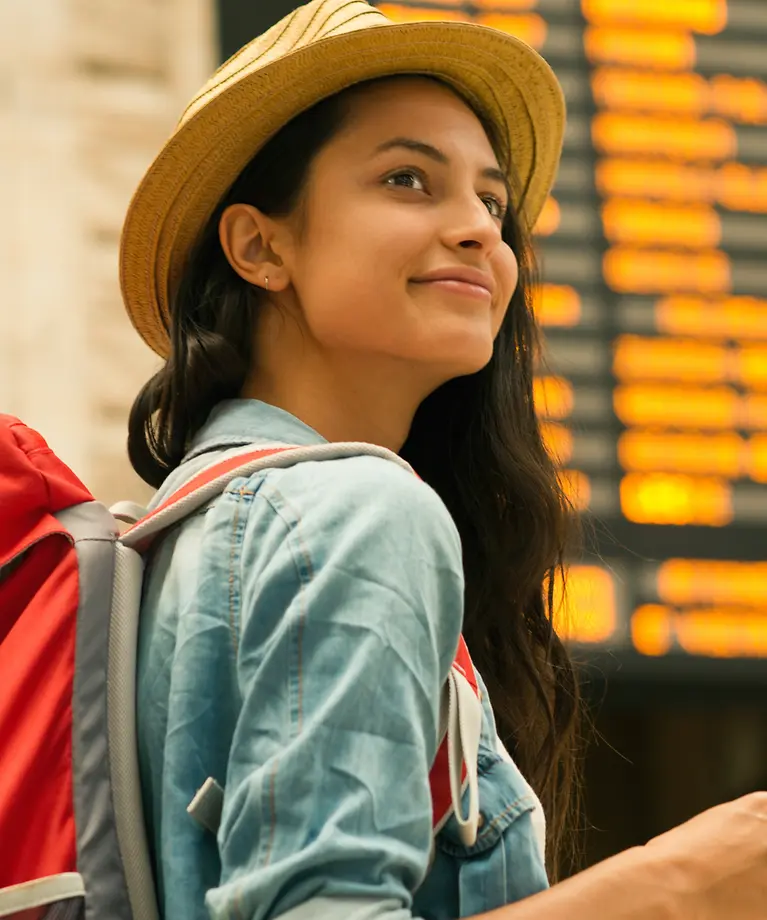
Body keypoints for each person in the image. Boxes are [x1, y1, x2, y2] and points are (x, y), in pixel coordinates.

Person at [121, 2, 767, 919]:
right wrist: (682, 884)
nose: (479, 231)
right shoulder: (358, 513)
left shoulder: (177, 534)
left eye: (493, 202)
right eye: (407, 179)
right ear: (261, 246)